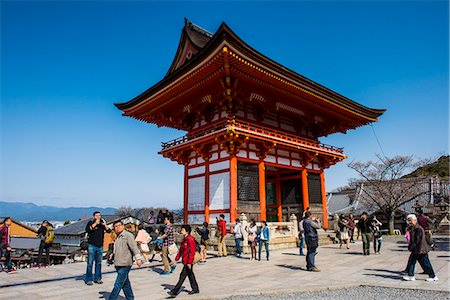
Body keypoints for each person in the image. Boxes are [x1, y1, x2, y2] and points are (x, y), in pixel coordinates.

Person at [108, 220, 143, 300]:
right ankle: (130, 298)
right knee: (125, 283)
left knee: (118, 284)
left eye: (119, 225)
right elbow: (117, 248)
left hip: (125, 263)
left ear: (123, 226)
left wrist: (138, 259)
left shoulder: (128, 235)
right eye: (116, 226)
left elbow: (134, 247)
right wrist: (112, 255)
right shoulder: (118, 237)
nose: (118, 227)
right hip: (118, 263)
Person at [402, 214, 438, 282]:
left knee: (426, 263)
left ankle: (433, 276)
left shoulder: (418, 229)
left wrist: (416, 249)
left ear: (415, 220)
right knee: (412, 262)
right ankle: (411, 275)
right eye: (408, 220)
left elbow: (419, 241)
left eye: (410, 220)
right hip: (417, 249)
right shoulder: (413, 228)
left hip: (420, 249)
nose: (409, 222)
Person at [167, 225, 200, 297]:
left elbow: (192, 252)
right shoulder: (184, 239)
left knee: (182, 276)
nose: (181, 231)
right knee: (190, 275)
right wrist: (175, 260)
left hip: (188, 261)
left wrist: (189, 263)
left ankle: (175, 292)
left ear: (187, 231)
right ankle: (195, 289)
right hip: (185, 260)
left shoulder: (190, 239)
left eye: (182, 230)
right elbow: (181, 251)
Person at [84, 211, 111, 285]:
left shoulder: (102, 224)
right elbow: (87, 230)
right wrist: (95, 223)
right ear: (94, 216)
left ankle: (98, 278)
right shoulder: (90, 222)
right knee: (90, 263)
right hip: (92, 245)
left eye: (99, 215)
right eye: (97, 216)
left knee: (98, 263)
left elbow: (109, 231)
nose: (98, 217)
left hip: (100, 246)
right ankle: (88, 279)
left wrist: (105, 225)